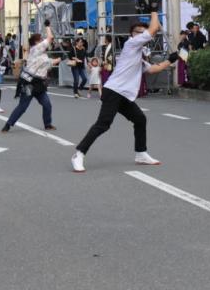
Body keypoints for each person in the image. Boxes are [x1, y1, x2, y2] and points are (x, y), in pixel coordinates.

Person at [71, 10, 175, 172]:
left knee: (140, 119)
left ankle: (141, 153)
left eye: (143, 32)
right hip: (113, 91)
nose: (141, 34)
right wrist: (154, 12)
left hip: (124, 95)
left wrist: (171, 59)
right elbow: (153, 29)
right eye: (138, 32)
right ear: (131, 35)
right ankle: (79, 153)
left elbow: (154, 69)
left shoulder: (138, 54)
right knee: (103, 124)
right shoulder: (131, 44)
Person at [3, 25, 59, 133]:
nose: (43, 41)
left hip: (39, 84)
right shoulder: (36, 49)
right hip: (29, 83)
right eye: (41, 39)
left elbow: (49, 63)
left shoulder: (42, 54)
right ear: (37, 42)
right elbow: (50, 38)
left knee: (47, 104)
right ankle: (8, 125)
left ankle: (47, 124)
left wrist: (62, 58)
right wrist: (48, 26)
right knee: (23, 106)